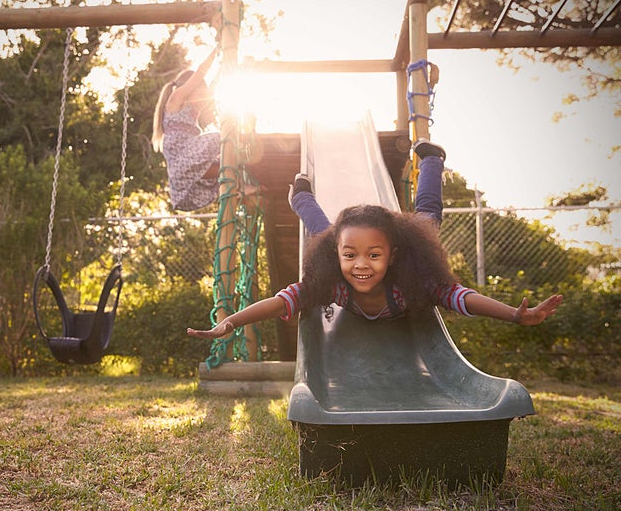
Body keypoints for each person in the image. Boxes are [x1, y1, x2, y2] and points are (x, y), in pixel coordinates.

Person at [187, 139, 563, 340]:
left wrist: (514, 314)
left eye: (374, 255)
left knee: (427, 217)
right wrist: (232, 322)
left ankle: (432, 159)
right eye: (351, 256)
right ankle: (301, 197)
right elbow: (278, 301)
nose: (361, 264)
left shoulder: (412, 279)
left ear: (393, 255)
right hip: (333, 240)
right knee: (323, 230)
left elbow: (461, 298)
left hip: (406, 241)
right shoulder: (332, 280)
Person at [152, 47, 221, 211]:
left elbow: (213, 88)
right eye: (200, 92)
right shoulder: (175, 101)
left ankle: (242, 189)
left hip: (188, 164)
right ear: (190, 89)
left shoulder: (194, 111)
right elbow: (200, 73)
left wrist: (223, 66)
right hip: (181, 161)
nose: (203, 98)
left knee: (227, 164)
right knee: (219, 137)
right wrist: (215, 52)